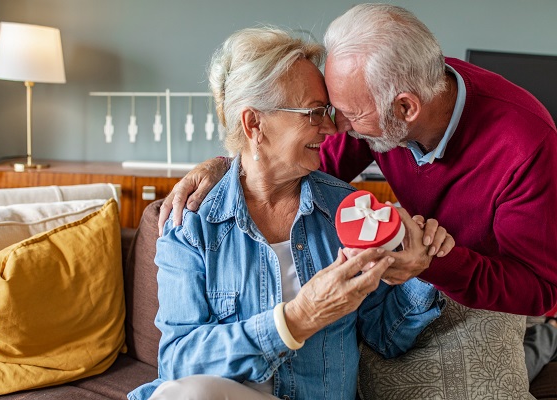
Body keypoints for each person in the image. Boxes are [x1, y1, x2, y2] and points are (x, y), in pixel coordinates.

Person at [159, 3, 557, 316]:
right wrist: (229, 165)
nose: (336, 127)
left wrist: (433, 264)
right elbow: (296, 161)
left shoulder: (528, 148)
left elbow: (542, 290)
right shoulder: (384, 93)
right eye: (328, 110)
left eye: (346, 114)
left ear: (405, 108)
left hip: (484, 294)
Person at [128, 27, 452, 400]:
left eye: (327, 111)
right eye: (314, 113)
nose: (331, 128)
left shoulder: (346, 212)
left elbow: (387, 336)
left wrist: (420, 271)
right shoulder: (193, 222)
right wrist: (296, 319)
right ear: (254, 124)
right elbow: (179, 362)